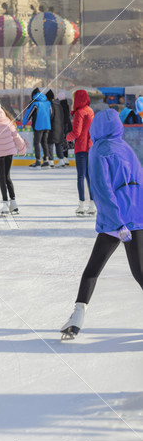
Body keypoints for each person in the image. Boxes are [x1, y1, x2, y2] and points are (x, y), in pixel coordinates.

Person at [60, 109, 143, 339]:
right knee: (140, 273)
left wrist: (117, 223)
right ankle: (75, 320)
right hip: (136, 218)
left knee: (92, 271)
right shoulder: (126, 148)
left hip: (116, 222)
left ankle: (76, 319)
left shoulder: (98, 150)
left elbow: (101, 190)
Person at [67, 90, 95, 216]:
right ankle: (92, 205)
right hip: (90, 147)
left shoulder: (79, 112)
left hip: (81, 148)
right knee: (89, 177)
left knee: (80, 176)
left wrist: (67, 137)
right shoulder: (90, 110)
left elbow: (76, 133)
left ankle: (81, 205)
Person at [22, 88, 52, 169]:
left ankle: (38, 162)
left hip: (38, 126)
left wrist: (24, 123)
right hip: (47, 126)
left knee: (37, 143)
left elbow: (28, 114)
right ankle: (46, 161)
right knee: (44, 142)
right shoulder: (48, 103)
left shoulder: (35, 103)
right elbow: (51, 114)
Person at [46, 89, 67, 168]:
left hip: (52, 127)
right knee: (58, 144)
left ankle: (51, 161)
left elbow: (49, 116)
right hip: (59, 127)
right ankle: (61, 160)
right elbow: (62, 115)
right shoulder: (58, 105)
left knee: (49, 143)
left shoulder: (49, 105)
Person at [57, 91, 72, 166]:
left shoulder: (61, 106)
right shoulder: (66, 105)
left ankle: (64, 158)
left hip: (63, 126)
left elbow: (63, 118)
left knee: (63, 143)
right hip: (67, 126)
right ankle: (65, 158)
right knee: (65, 143)